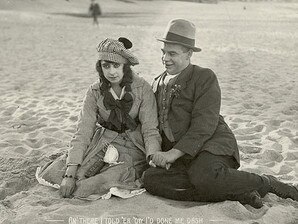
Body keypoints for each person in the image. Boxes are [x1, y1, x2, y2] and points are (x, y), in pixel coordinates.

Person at [143, 18, 298, 208]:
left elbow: (204, 124)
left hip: (212, 145)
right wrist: (157, 154)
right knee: (151, 179)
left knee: (203, 176)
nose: (165, 58)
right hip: (183, 157)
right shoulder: (157, 81)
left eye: (172, 53)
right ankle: (237, 193)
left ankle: (267, 183)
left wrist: (173, 155)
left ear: (189, 54)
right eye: (164, 52)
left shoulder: (204, 77)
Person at [37, 37, 161, 198]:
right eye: (106, 66)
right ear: (100, 67)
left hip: (132, 146)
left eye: (116, 65)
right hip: (102, 141)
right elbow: (83, 130)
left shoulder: (142, 88)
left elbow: (150, 130)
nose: (111, 71)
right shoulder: (94, 91)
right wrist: (70, 174)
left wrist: (153, 158)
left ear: (126, 66)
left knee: (95, 184)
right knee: (73, 176)